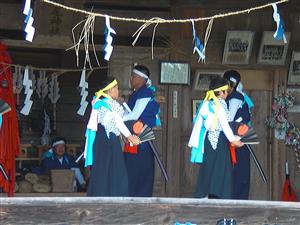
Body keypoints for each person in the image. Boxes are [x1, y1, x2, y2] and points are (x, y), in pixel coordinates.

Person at [188, 77, 243, 199]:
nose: (227, 94)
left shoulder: (206, 104)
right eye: (226, 91)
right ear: (221, 92)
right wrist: (234, 140)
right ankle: (218, 197)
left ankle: (205, 195)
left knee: (208, 169)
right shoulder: (220, 105)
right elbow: (225, 125)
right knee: (221, 171)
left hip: (208, 141)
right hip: (220, 141)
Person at [84, 77, 140, 197]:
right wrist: (130, 137)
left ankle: (99, 196)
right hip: (109, 140)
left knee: (102, 169)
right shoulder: (111, 104)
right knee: (115, 169)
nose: (118, 90)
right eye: (116, 88)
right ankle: (113, 196)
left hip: (100, 138)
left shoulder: (99, 102)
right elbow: (119, 123)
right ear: (110, 91)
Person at [122, 65, 160, 197]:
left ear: (141, 78)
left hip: (141, 140)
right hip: (131, 138)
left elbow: (135, 115)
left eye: (133, 76)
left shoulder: (145, 92)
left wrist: (117, 119)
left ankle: (140, 198)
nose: (131, 78)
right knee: (131, 170)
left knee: (140, 171)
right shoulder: (135, 94)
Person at [223, 70, 254, 200]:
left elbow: (229, 118)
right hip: (238, 136)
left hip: (238, 137)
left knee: (238, 173)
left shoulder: (236, 97)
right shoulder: (237, 96)